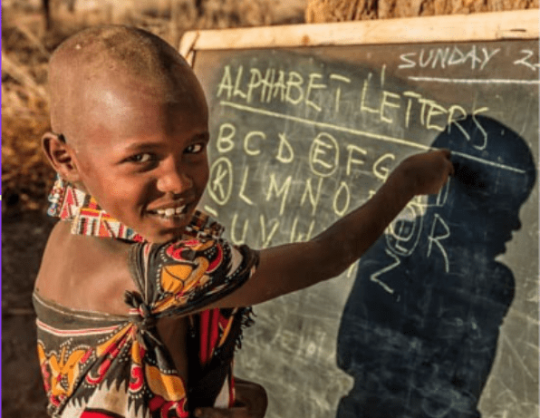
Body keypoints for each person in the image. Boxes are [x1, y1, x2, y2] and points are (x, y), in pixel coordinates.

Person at [33, 25, 454, 418]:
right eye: (142, 158)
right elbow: (329, 256)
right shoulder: (159, 274)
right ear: (65, 158)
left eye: (194, 147)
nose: (178, 181)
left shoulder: (64, 239)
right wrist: (407, 182)